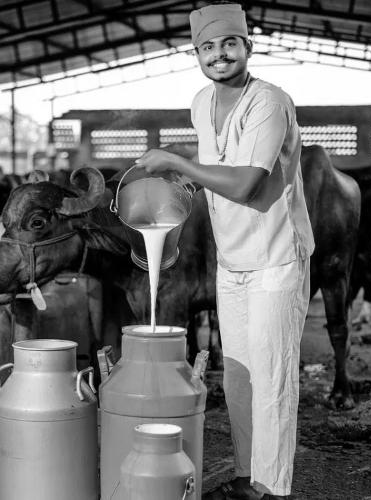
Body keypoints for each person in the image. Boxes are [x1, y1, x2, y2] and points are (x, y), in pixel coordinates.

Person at [135, 3, 315, 499]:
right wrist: (182, 186)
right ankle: (245, 478)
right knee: (238, 377)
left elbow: (245, 184)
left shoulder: (269, 101)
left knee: (273, 379)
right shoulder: (200, 103)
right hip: (233, 260)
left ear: (248, 49)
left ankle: (273, 490)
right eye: (208, 47)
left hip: (276, 258)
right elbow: (216, 167)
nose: (219, 55)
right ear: (195, 54)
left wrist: (175, 160)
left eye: (229, 44)